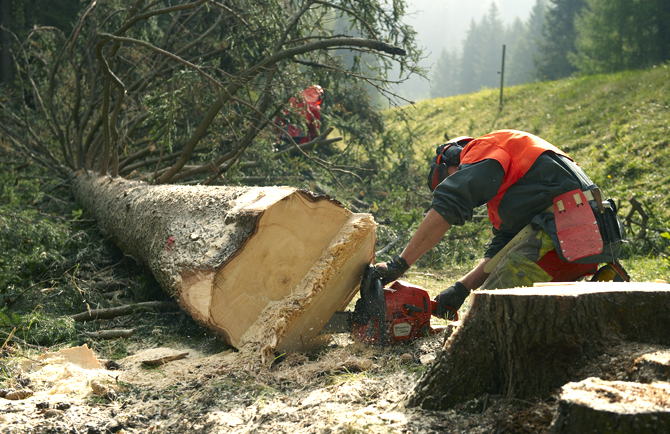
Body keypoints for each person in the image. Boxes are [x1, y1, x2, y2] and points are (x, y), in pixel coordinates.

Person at [375, 129, 627, 319]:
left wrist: (400, 264)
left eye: (448, 177)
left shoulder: (481, 150)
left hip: (564, 236)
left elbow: (447, 206)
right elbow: (504, 246)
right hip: (584, 238)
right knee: (495, 300)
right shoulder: (513, 182)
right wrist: (462, 289)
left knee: (488, 311)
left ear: (450, 162)